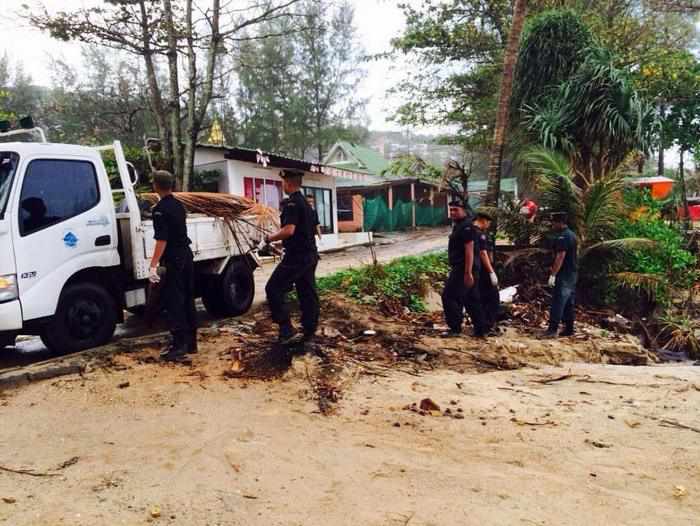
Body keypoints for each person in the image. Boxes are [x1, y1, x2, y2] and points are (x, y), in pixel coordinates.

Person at [264, 170, 320, 344]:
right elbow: (302, 234)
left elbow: (289, 230)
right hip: (309, 255)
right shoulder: (306, 204)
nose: (282, 185)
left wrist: (268, 238)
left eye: (283, 182)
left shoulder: (292, 204)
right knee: (307, 291)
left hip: (296, 258)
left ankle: (286, 329)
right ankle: (309, 328)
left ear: (288, 183)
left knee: (273, 288)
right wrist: (279, 245)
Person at [148, 171, 198, 361]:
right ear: (171, 185)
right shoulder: (178, 205)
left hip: (174, 259)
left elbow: (162, 239)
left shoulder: (159, 209)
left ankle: (178, 347)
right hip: (186, 254)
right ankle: (191, 343)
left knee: (174, 301)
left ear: (155, 186)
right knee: (187, 298)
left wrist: (153, 265)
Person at [441, 198, 487, 338]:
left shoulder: (466, 227)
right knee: (471, 298)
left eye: (456, 210)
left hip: (464, 269)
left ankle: (455, 328)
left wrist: (467, 272)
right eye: (451, 210)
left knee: (449, 296)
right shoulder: (460, 225)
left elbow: (469, 250)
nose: (452, 212)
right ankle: (480, 329)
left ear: (465, 211)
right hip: (466, 268)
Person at [543, 212, 578, 338]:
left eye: (553, 222)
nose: (552, 225)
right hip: (572, 273)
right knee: (568, 302)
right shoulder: (572, 235)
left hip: (563, 274)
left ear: (560, 222)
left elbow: (560, 256)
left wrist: (553, 274)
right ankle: (569, 328)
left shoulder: (563, 237)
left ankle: (552, 330)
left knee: (558, 301)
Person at [473, 210, 500, 333]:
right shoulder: (480, 234)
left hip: (477, 269)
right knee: (492, 297)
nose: (488, 225)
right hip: (484, 270)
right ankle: (488, 324)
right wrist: (491, 272)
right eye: (488, 223)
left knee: (481, 297)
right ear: (483, 220)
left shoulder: (470, 232)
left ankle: (482, 324)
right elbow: (484, 253)